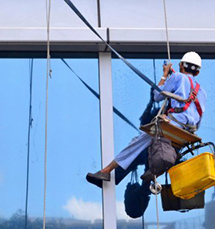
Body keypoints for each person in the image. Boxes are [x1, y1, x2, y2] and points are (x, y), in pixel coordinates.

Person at [86, 51, 207, 187]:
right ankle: (153, 171)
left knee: (136, 143)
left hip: (171, 125)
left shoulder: (178, 77)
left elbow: (157, 95)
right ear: (197, 72)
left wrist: (165, 75)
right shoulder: (202, 92)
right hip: (186, 132)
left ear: (181, 66)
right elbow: (198, 118)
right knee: (161, 147)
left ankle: (106, 170)